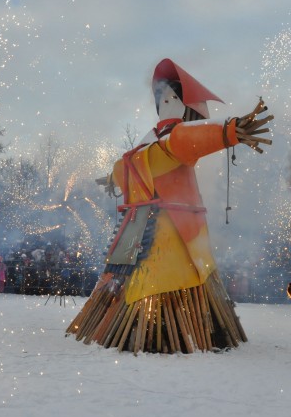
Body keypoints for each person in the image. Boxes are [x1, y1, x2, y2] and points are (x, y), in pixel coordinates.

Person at [66, 58, 273, 353]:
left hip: (175, 231)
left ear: (187, 106)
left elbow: (192, 140)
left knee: (165, 276)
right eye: (161, 97)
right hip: (137, 229)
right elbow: (129, 165)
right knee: (133, 276)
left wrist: (229, 131)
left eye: (172, 97)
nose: (165, 102)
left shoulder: (175, 139)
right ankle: (119, 328)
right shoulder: (148, 142)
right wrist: (113, 177)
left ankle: (171, 335)